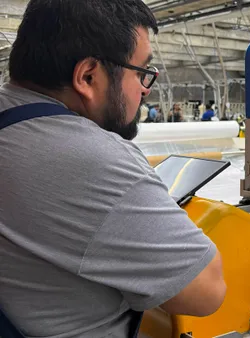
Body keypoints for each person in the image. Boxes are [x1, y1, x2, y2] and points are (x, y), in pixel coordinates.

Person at [0, 1, 226, 337]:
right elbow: (206, 290)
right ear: (88, 76)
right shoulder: (96, 159)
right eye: (141, 73)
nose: (145, 90)